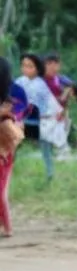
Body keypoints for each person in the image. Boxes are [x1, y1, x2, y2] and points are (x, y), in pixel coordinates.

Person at [16, 53, 63, 181]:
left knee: (46, 149)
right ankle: (8, 171)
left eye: (30, 66)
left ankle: (50, 174)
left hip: (40, 121)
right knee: (12, 145)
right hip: (23, 121)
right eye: (24, 66)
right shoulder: (19, 81)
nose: (26, 69)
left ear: (37, 69)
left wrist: (58, 112)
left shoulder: (40, 84)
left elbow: (48, 102)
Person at [0, 57, 25, 237]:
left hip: (3, 152)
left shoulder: (8, 104)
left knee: (1, 192)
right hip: (6, 152)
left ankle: (7, 227)